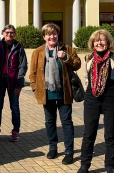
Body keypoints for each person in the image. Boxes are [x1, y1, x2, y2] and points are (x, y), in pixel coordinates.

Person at [29, 23, 81, 165]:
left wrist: (66, 58)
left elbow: (77, 64)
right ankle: (53, 147)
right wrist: (35, 89)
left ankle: (69, 151)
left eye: (54, 34)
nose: (52, 36)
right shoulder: (38, 52)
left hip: (64, 92)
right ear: (44, 36)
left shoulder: (67, 49)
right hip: (46, 93)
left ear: (58, 35)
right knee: (50, 121)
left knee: (66, 122)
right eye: (49, 34)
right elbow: (32, 73)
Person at [77, 30, 114, 173]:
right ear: (92, 43)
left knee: (110, 134)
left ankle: (109, 166)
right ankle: (84, 165)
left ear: (108, 42)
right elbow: (86, 78)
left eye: (102, 40)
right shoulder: (89, 58)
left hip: (110, 98)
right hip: (92, 98)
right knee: (89, 133)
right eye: (96, 40)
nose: (99, 43)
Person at [0, 24, 28, 142]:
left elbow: (23, 66)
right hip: (0, 81)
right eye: (7, 32)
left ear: (15, 34)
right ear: (3, 33)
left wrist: (19, 83)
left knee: (15, 107)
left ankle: (15, 131)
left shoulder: (18, 47)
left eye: (11, 32)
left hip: (13, 81)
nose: (9, 34)